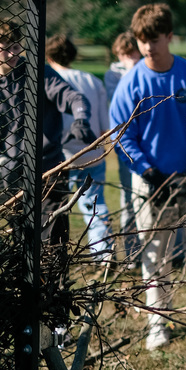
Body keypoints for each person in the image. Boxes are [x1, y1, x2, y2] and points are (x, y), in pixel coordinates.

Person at [108, 3, 186, 351]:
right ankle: (157, 322)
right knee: (155, 253)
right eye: (142, 40)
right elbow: (121, 134)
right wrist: (147, 170)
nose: (148, 47)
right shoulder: (131, 83)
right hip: (151, 182)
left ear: (169, 37)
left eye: (154, 39)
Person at [0, 18, 96, 245]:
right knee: (21, 242)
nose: (12, 53)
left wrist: (81, 118)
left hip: (50, 170)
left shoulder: (39, 74)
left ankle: (53, 281)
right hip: (12, 176)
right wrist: (3, 161)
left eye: (16, 47)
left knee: (54, 240)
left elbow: (73, 97)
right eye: (5, 48)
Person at [46, 34, 113, 263]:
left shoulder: (49, 79)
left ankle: (54, 254)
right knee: (95, 204)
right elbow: (105, 125)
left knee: (55, 208)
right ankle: (102, 252)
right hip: (90, 151)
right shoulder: (92, 80)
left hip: (60, 155)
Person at [103, 31, 142, 262]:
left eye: (133, 53)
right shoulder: (113, 75)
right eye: (124, 54)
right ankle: (132, 253)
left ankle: (172, 250)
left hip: (150, 142)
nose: (130, 57)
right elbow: (118, 100)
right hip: (126, 143)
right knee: (129, 197)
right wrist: (131, 71)